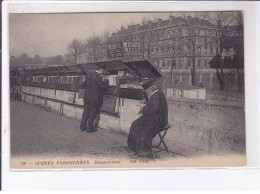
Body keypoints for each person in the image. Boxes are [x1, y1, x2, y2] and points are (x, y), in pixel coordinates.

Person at [127, 80, 168, 157]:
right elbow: (154, 108)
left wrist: (143, 108)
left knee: (137, 126)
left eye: (146, 91)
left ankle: (142, 149)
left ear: (150, 89)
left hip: (157, 121)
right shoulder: (158, 94)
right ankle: (136, 147)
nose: (146, 93)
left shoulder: (155, 96)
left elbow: (152, 110)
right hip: (157, 119)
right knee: (135, 124)